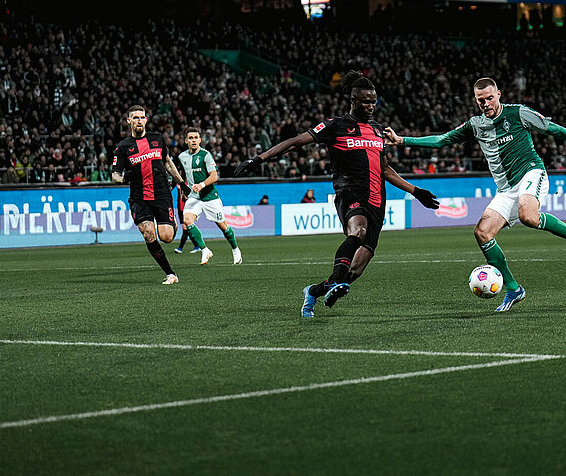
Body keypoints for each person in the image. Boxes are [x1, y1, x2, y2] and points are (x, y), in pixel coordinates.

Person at [384, 77, 566, 313]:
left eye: (489, 98)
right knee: (482, 233)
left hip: (531, 173)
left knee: (528, 215)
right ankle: (513, 288)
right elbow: (441, 141)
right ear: (475, 101)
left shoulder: (519, 114)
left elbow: (555, 130)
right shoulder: (475, 125)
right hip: (506, 190)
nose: (485, 103)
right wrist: (402, 140)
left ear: (499, 95)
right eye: (480, 100)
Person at [234, 71, 440, 318]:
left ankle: (313, 291)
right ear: (353, 101)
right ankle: (334, 284)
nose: (371, 106)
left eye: (374, 101)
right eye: (366, 101)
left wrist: (416, 192)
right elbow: (295, 142)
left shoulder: (376, 130)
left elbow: (385, 169)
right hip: (349, 193)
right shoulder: (335, 125)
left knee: (353, 272)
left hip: (377, 200)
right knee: (358, 232)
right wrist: (259, 159)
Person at [111, 105, 189, 284]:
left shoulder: (157, 139)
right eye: (135, 118)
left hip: (161, 193)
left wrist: (182, 184)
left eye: (142, 117)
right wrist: (123, 180)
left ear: (146, 120)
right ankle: (170, 273)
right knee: (148, 233)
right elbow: (115, 174)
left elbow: (167, 162)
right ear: (129, 121)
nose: (139, 121)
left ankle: (171, 224)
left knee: (167, 237)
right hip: (139, 197)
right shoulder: (123, 147)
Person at [178, 126, 242, 265]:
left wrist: (201, 185)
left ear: (200, 140)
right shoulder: (182, 157)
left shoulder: (205, 155)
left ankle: (235, 249)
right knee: (187, 220)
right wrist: (184, 191)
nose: (193, 140)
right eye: (190, 138)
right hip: (194, 197)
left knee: (223, 226)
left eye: (196, 138)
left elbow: (214, 176)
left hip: (209, 196)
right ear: (186, 141)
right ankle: (204, 250)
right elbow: (183, 174)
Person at [173, 180, 201, 254]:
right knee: (188, 228)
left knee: (185, 228)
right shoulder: (179, 182)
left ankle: (180, 248)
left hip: (188, 207)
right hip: (181, 207)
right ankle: (197, 246)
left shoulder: (190, 183)